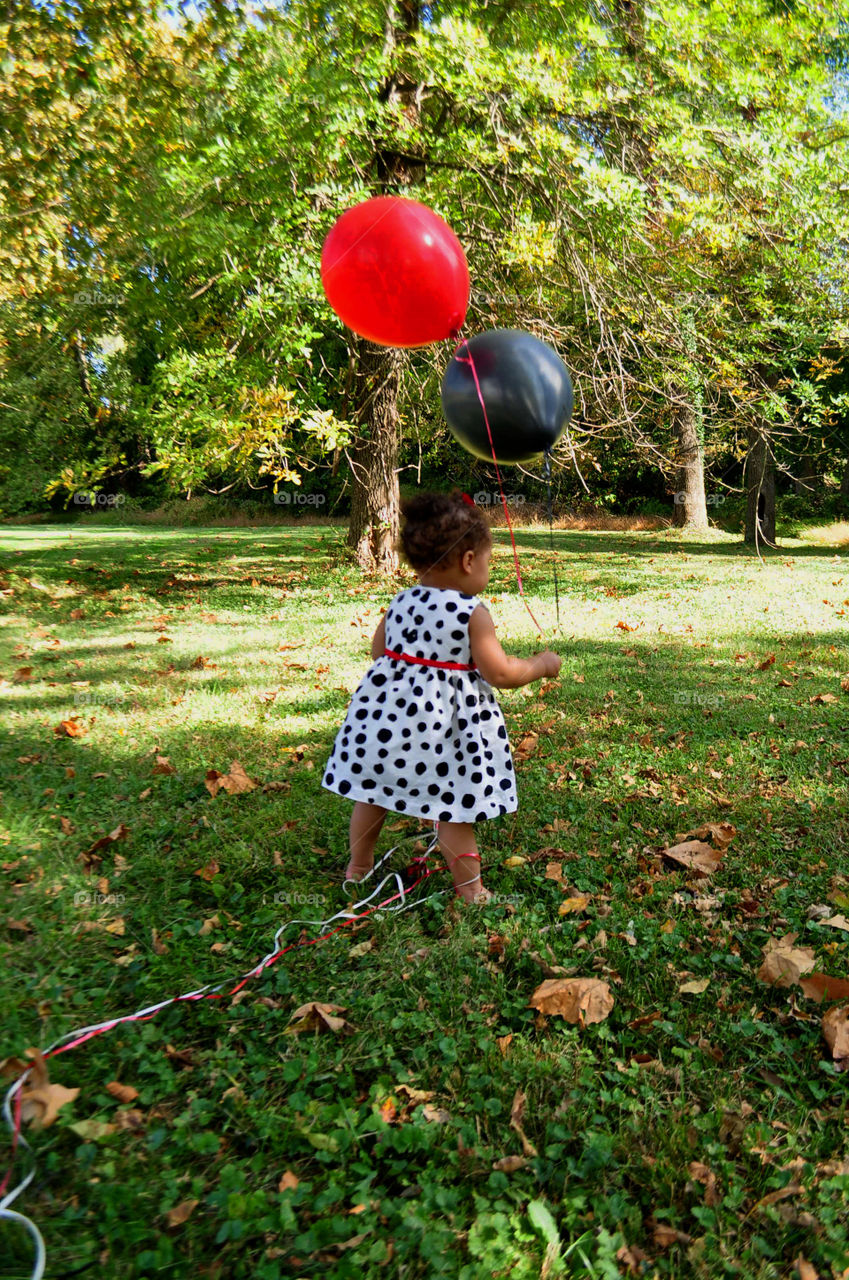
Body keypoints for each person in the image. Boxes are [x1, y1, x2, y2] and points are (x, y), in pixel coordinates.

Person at [321, 490, 561, 904]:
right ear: (469, 561)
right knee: (453, 807)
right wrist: (540, 664)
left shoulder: (400, 600)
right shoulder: (471, 613)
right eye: (487, 561)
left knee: (374, 794)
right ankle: (470, 890)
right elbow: (500, 672)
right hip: (446, 733)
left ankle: (358, 867)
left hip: (385, 726)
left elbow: (379, 652)